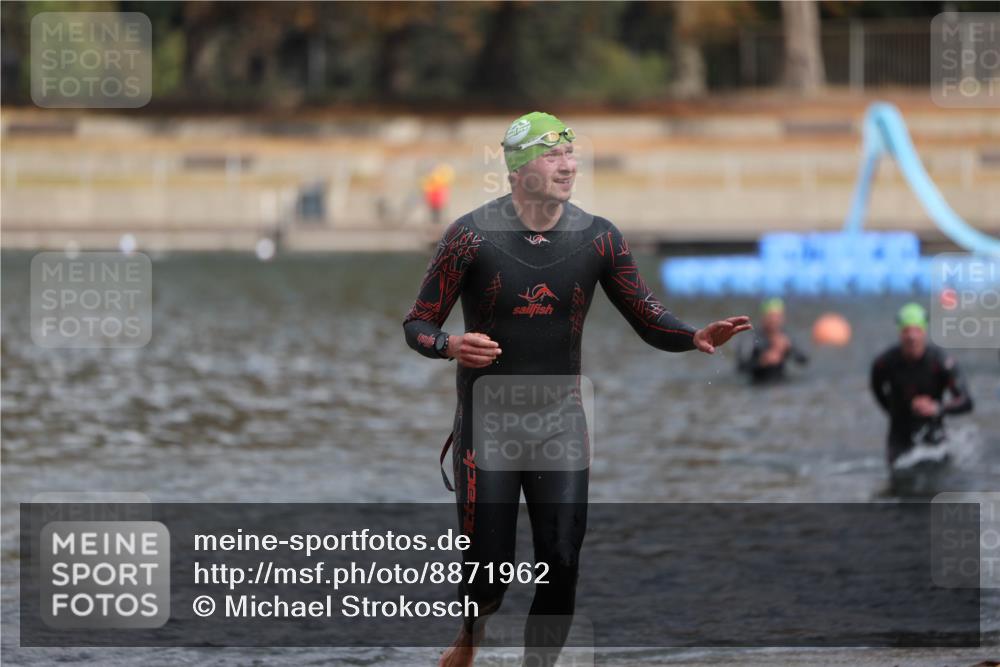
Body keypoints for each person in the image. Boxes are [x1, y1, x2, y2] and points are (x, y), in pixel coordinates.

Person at [402, 111, 752, 667]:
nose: (568, 166)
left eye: (571, 155)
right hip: (487, 424)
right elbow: (416, 325)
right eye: (553, 156)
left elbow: (647, 316)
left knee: (561, 561)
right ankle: (472, 636)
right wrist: (450, 346)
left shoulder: (599, 238)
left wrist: (693, 336)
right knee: (487, 572)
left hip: (560, 423)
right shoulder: (469, 236)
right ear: (518, 168)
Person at [869, 303, 973, 467]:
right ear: (899, 333)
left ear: (924, 332)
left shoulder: (940, 363)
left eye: (916, 330)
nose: (911, 337)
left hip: (935, 441)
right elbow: (876, 389)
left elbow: (966, 401)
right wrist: (894, 409)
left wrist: (936, 408)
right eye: (906, 331)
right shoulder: (884, 363)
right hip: (900, 440)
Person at [736, 297, 808, 383]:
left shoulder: (786, 337)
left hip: (781, 382)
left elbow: (804, 360)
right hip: (756, 385)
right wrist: (762, 362)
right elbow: (740, 368)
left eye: (777, 317)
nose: (774, 320)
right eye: (770, 316)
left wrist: (789, 348)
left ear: (783, 318)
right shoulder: (752, 338)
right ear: (763, 317)